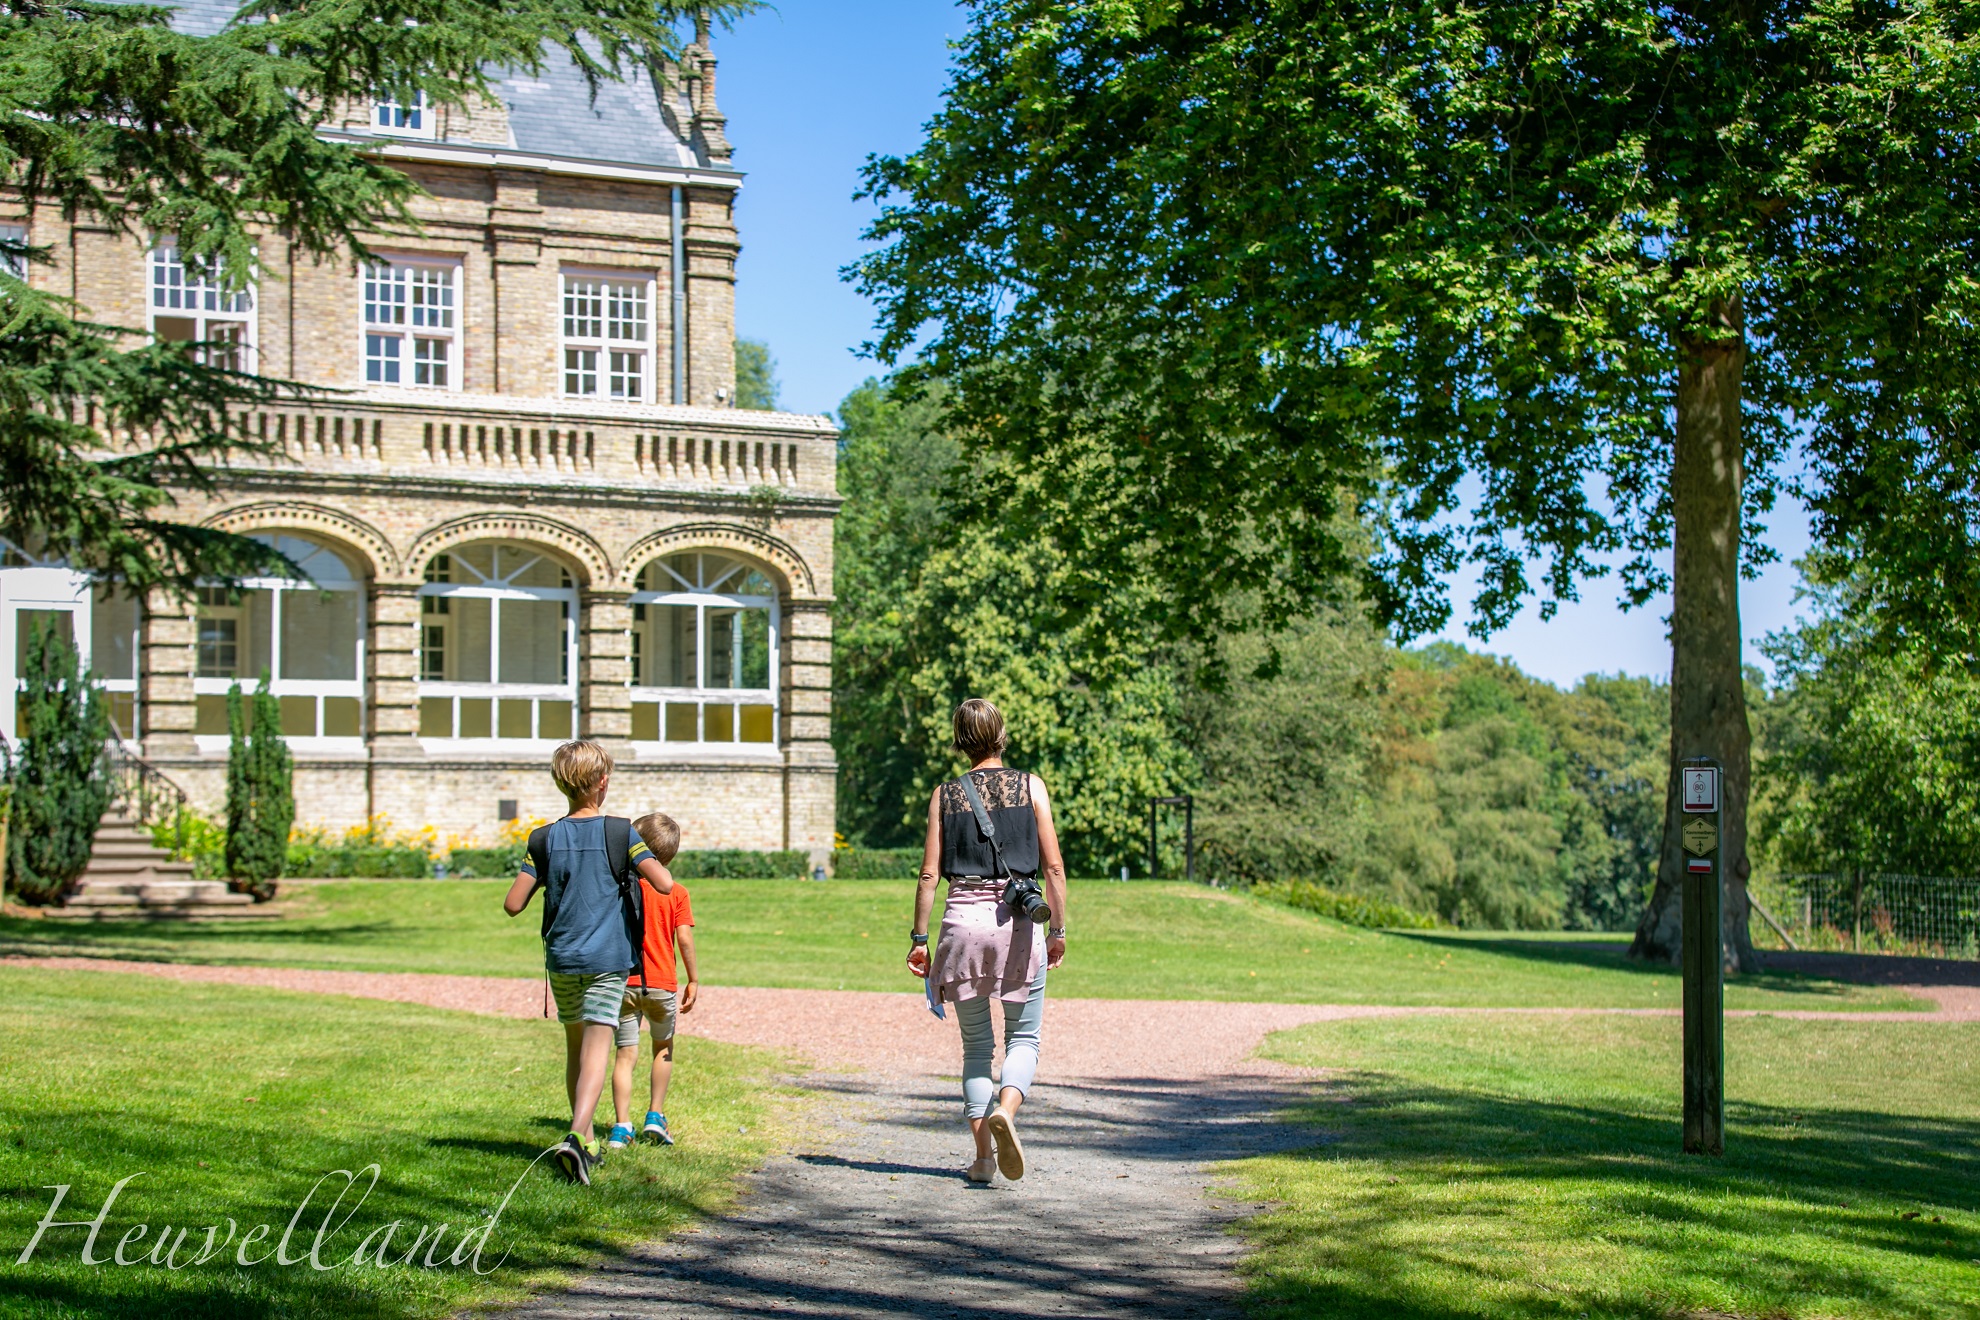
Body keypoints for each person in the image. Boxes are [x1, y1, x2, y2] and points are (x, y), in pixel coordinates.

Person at [908, 698, 1068, 1184]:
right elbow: (1054, 868)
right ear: (1001, 734)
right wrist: (1057, 930)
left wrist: (919, 939)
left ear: (960, 740)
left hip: (962, 926)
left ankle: (982, 1160)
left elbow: (929, 874)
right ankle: (1008, 1110)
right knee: (1024, 1037)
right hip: (1018, 924)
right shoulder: (1031, 786)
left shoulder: (945, 795)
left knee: (976, 1047)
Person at [502, 739, 674, 1186]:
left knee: (575, 1048)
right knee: (600, 1048)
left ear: (561, 784)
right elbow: (665, 883)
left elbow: (513, 903)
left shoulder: (543, 838)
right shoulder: (621, 832)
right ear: (603, 782)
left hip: (562, 959)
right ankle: (578, 1135)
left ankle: (590, 1143)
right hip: (606, 960)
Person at [607, 811, 699, 1150]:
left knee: (624, 1055)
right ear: (671, 854)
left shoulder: (621, 888)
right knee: (663, 1048)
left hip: (625, 983)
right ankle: (655, 1116)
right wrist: (693, 979)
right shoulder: (676, 892)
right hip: (662, 983)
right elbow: (685, 940)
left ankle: (621, 1126)